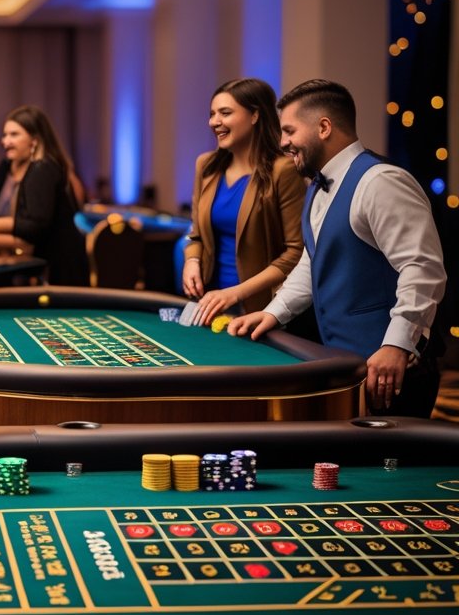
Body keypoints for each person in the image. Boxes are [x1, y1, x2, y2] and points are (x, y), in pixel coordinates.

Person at [228, 79, 447, 417]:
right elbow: (313, 260)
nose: (283, 142)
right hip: (348, 368)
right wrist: (273, 312)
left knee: (391, 468)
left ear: (324, 127)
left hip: (392, 370)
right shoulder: (317, 185)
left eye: (289, 131)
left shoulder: (381, 182)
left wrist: (396, 344)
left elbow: (423, 270)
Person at [182, 78, 306, 326]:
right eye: (212, 114)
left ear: (254, 116)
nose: (214, 121)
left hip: (261, 308)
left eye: (225, 113)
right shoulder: (205, 166)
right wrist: (192, 261)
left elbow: (296, 252)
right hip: (211, 304)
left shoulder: (283, 170)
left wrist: (237, 292)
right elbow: (196, 235)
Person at [0, 105, 89, 285]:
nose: (5, 141)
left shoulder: (42, 168)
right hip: (54, 263)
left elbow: (32, 228)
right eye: (4, 135)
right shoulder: (40, 167)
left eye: (14, 134)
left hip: (60, 266)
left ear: (34, 140)